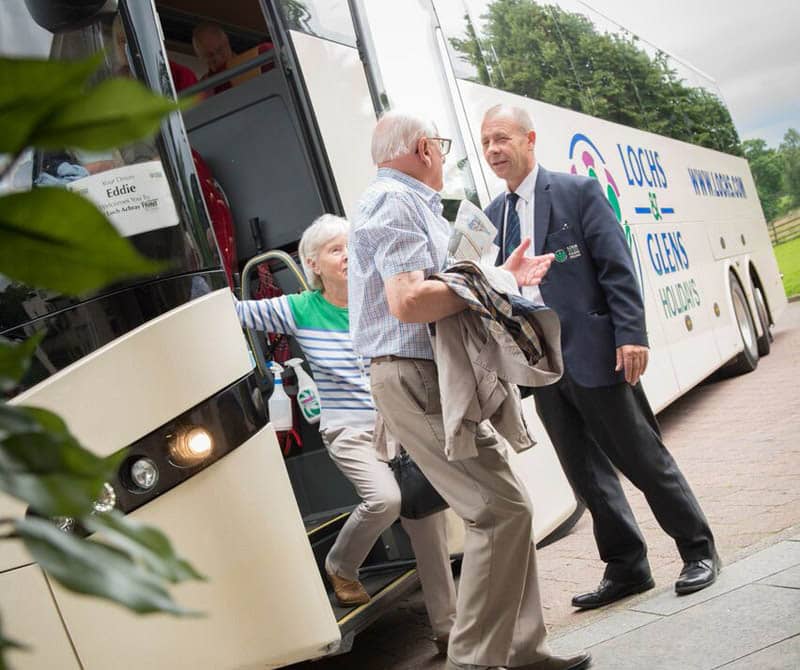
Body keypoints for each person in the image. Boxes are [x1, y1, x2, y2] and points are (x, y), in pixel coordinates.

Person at [348, 110, 590, 670]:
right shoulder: (394, 201)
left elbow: (445, 288)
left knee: (509, 508)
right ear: (424, 149)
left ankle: (523, 650)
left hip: (425, 374)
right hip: (414, 375)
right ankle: (475, 662)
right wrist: (493, 282)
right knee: (497, 511)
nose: (445, 155)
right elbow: (409, 302)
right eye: (442, 145)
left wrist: (499, 274)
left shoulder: (405, 202)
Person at [480, 103, 720, 610]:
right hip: (543, 367)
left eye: (502, 138)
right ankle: (627, 567)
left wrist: (630, 334)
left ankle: (698, 549)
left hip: (596, 352)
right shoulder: (493, 216)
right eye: (485, 143)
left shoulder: (575, 191)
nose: (493, 150)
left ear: (529, 139)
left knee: (642, 456)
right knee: (583, 471)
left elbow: (616, 267)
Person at [234, 214, 456, 653]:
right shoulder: (299, 307)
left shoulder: (379, 299)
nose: (349, 256)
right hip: (348, 429)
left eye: (353, 247)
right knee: (386, 499)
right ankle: (340, 564)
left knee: (427, 526)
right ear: (313, 263)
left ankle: (450, 631)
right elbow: (233, 313)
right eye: (337, 250)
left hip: (399, 425)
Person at [192, 23, 274, 95]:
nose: (217, 58)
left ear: (227, 41)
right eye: (209, 55)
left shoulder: (255, 63)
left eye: (220, 50)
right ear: (201, 58)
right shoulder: (204, 90)